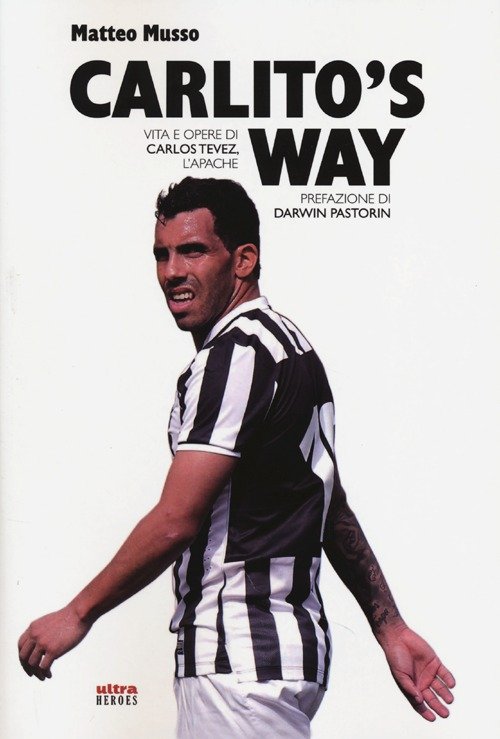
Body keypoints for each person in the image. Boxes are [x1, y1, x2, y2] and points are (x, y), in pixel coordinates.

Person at [18, 177, 455, 737]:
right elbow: (329, 505)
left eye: (193, 251)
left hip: (236, 668)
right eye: (162, 255)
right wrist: (389, 626)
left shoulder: (235, 355)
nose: (173, 271)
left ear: (243, 260)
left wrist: (76, 614)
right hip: (282, 665)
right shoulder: (290, 347)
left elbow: (176, 519)